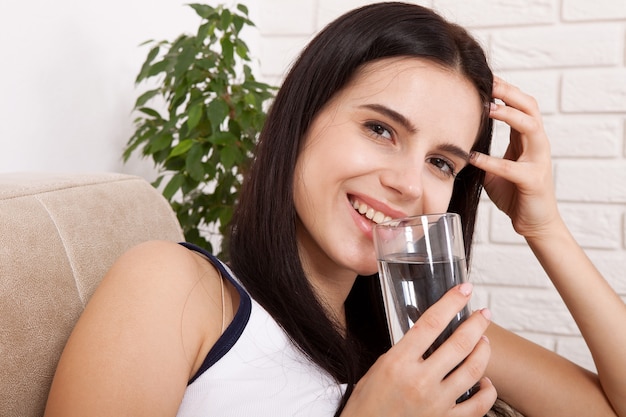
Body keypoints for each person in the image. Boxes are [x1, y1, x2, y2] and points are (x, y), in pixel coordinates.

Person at [44, 2, 626, 417]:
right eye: (380, 128)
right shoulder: (178, 289)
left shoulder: (421, 338)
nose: (407, 183)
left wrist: (542, 226)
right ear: (301, 121)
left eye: (442, 163)